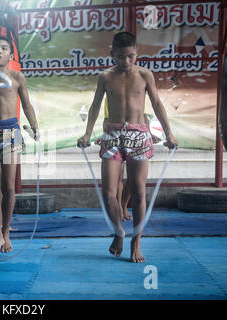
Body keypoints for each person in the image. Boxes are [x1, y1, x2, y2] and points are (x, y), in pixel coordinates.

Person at [78, 32, 178, 263]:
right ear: (112, 53)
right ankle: (119, 232)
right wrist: (86, 134)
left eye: (130, 56)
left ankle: (136, 241)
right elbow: (95, 107)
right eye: (120, 57)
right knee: (108, 193)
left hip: (138, 135)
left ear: (137, 53)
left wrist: (169, 134)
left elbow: (157, 104)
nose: (125, 61)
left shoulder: (145, 75)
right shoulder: (104, 77)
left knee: (139, 191)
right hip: (112, 135)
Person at [0, 37, 39, 253]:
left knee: (9, 188)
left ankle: (6, 232)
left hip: (11, 131)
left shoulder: (18, 77)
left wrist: (34, 127)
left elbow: (27, 105)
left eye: (3, 48)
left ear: (11, 55)